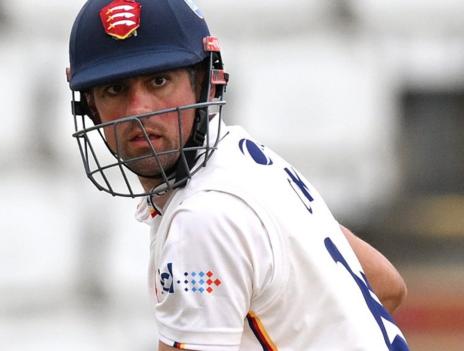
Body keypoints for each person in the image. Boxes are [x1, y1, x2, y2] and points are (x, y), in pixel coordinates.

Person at [66, 1, 409, 350]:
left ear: (204, 82)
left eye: (159, 81)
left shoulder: (203, 219)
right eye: (114, 89)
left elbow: (390, 287)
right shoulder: (248, 160)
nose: (138, 109)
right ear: (91, 106)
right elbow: (387, 284)